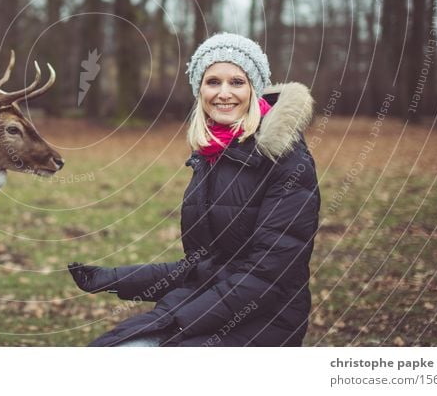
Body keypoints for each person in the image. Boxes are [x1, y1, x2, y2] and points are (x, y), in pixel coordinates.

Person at [68, 33, 320, 346]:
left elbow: (267, 277)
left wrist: (175, 321)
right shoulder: (213, 155)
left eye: (237, 82)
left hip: (265, 321)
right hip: (206, 308)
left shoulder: (286, 162)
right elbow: (205, 265)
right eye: (213, 81)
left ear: (255, 90)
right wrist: (116, 278)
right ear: (200, 90)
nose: (224, 93)